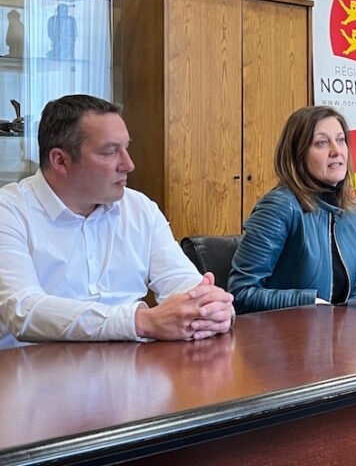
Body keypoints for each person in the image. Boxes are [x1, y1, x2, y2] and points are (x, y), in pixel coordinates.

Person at [0, 94, 234, 349]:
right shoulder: (10, 211)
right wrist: (139, 322)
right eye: (110, 152)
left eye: (126, 148)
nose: (128, 164)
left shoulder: (139, 208)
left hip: (130, 373)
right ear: (61, 161)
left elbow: (183, 283)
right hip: (32, 376)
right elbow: (23, 310)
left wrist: (211, 308)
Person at [228, 106, 356, 312]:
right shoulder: (280, 206)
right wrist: (308, 303)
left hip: (338, 337)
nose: (336, 150)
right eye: (322, 142)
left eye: (340, 140)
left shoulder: (353, 210)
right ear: (298, 155)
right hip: (284, 337)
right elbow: (240, 293)